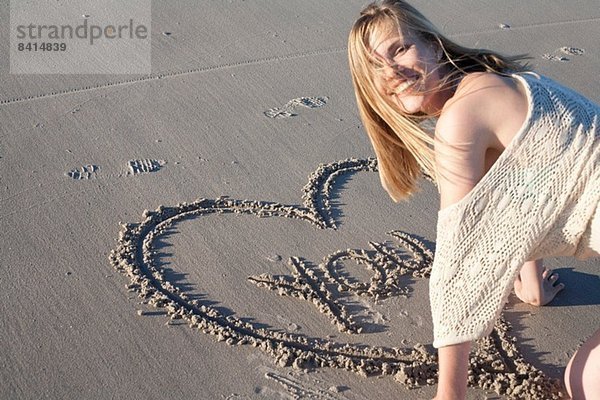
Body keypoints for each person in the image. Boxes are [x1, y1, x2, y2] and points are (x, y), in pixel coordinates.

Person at [347, 1, 600, 399]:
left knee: (584, 385)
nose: (392, 72)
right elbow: (526, 194)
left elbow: (457, 261)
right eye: (376, 68)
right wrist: (532, 285)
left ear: (431, 45)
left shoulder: (462, 117)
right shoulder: (495, 81)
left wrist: (449, 394)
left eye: (399, 49)